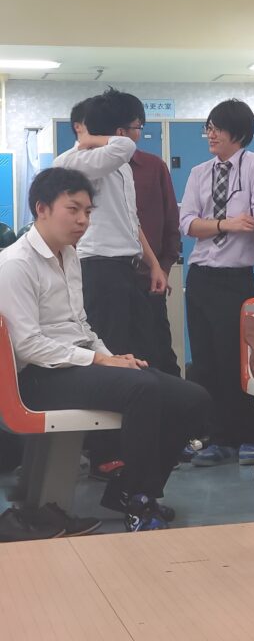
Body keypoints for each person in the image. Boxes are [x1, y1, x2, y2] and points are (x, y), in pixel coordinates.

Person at [0, 168, 210, 531]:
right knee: (142, 389)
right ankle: (141, 499)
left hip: (77, 364)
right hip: (37, 376)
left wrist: (111, 357)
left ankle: (127, 490)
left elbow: (81, 324)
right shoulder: (16, 264)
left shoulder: (70, 255)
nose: (83, 220)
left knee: (193, 398)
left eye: (87, 211)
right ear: (41, 209)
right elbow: (28, 345)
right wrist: (98, 359)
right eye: (73, 209)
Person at [54, 88, 169, 479]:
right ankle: (104, 453)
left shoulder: (117, 165)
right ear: (119, 129)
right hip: (99, 270)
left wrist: (153, 264)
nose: (138, 135)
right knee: (110, 359)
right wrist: (91, 138)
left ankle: (132, 445)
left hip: (126, 269)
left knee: (137, 355)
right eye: (136, 126)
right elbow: (120, 146)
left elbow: (131, 221)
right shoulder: (82, 159)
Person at [179, 99, 254, 468]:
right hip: (200, 276)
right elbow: (187, 223)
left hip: (235, 279)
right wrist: (226, 224)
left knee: (234, 360)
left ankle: (247, 436)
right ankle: (217, 438)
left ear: (238, 133)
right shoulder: (199, 172)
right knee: (205, 362)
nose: (210, 134)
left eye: (217, 128)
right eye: (208, 127)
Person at [125, 96, 182, 377]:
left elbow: (171, 220)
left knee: (160, 357)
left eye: (137, 127)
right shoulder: (96, 170)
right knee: (121, 356)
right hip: (111, 283)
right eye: (133, 127)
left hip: (149, 281)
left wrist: (164, 267)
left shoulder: (153, 166)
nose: (134, 134)